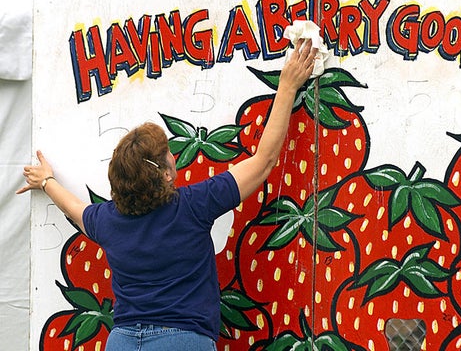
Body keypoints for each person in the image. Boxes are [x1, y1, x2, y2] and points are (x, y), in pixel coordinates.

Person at [17, 38, 318, 350]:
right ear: (166, 173)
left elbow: (74, 207)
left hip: (121, 341)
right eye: (167, 153)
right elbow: (264, 161)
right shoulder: (194, 206)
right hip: (182, 340)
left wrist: (46, 181)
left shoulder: (106, 220)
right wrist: (287, 86)